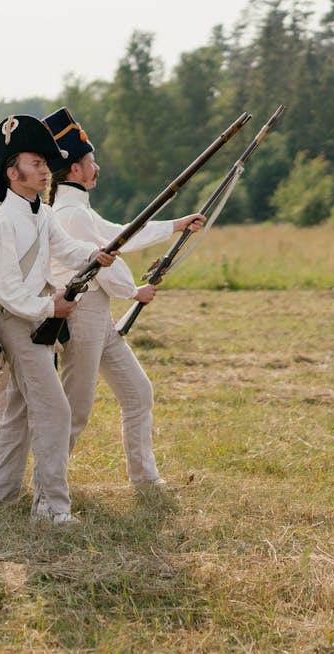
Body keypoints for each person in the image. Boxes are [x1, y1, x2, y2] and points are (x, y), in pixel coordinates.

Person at [42, 107, 204, 489]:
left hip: (99, 320)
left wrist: (175, 226)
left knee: (138, 393)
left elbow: (120, 234)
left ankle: (145, 478)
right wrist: (133, 291)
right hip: (81, 321)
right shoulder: (70, 213)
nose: (96, 168)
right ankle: (48, 483)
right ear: (75, 170)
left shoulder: (77, 208)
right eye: (91, 162)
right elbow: (107, 264)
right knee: (76, 412)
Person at [0, 114, 116, 525]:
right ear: (12, 172)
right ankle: (51, 506)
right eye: (35, 163)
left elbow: (68, 249)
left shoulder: (42, 214)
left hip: (36, 318)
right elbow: (5, 290)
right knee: (55, 411)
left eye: (44, 163)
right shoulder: (2, 223)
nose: (45, 170)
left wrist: (94, 255)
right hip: (17, 321)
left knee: (18, 412)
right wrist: (48, 308)